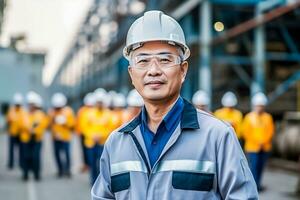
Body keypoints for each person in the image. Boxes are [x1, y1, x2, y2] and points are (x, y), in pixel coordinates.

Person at [92, 10, 258, 199]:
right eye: (143, 61)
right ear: (131, 74)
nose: (153, 70)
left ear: (183, 70)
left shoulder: (218, 137)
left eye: (164, 59)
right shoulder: (116, 143)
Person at [243, 92, 275, 191]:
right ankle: (254, 186)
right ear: (254, 106)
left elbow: (270, 131)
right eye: (258, 106)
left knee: (261, 167)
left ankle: (258, 185)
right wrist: (258, 142)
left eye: (261, 106)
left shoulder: (268, 117)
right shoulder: (249, 117)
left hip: (265, 147)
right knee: (254, 167)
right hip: (252, 147)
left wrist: (263, 142)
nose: (259, 108)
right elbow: (246, 132)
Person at [20, 91, 48, 181]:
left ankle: (36, 174)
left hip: (37, 139)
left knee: (36, 157)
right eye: (29, 104)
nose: (31, 106)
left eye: (32, 104)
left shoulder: (40, 114)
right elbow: (20, 125)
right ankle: (25, 174)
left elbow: (43, 125)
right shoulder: (24, 114)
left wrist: (35, 131)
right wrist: (29, 129)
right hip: (26, 139)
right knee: (26, 157)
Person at [48, 93, 75, 178]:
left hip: (65, 137)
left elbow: (72, 124)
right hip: (55, 137)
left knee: (67, 154)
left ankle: (67, 170)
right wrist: (52, 120)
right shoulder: (51, 112)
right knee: (56, 154)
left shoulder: (68, 111)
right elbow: (48, 125)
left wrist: (65, 123)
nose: (57, 109)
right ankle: (60, 170)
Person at [6, 93, 26, 169]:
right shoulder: (11, 110)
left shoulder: (23, 111)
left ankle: (21, 163)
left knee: (21, 149)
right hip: (13, 133)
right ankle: (11, 163)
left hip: (20, 133)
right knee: (11, 150)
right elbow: (8, 120)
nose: (17, 106)